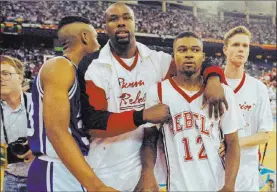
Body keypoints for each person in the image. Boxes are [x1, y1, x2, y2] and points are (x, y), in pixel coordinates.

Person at [80, 3, 228, 191]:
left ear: (135, 23)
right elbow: (94, 124)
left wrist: (214, 78)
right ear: (105, 27)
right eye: (113, 19)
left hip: (153, 170)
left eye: (127, 18)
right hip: (107, 168)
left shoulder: (158, 61)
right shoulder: (94, 65)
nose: (121, 23)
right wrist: (142, 115)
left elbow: (195, 61)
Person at [26, 16, 117, 191]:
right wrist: (96, 186)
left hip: (72, 167)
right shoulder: (60, 66)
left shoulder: (79, 72)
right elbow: (57, 131)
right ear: (85, 37)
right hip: (56, 170)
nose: (98, 45)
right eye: (96, 39)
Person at [144, 32, 243, 191]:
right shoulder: (158, 92)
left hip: (216, 185)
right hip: (177, 186)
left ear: (203, 57)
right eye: (182, 50)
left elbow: (232, 142)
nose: (189, 54)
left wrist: (229, 186)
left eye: (195, 50)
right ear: (174, 56)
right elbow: (149, 140)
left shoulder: (222, 93)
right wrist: (148, 174)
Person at [223, 26, 273, 191]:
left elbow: (264, 135)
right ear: (225, 49)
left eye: (245, 46)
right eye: (236, 44)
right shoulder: (211, 84)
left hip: (247, 172)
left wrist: (234, 143)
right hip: (213, 168)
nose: (241, 49)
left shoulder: (258, 88)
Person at [0, 55, 35, 192]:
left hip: (39, 175)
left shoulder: (39, 104)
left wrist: (39, 148)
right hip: (9, 178)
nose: (1, 78)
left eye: (5, 73)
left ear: (20, 77)